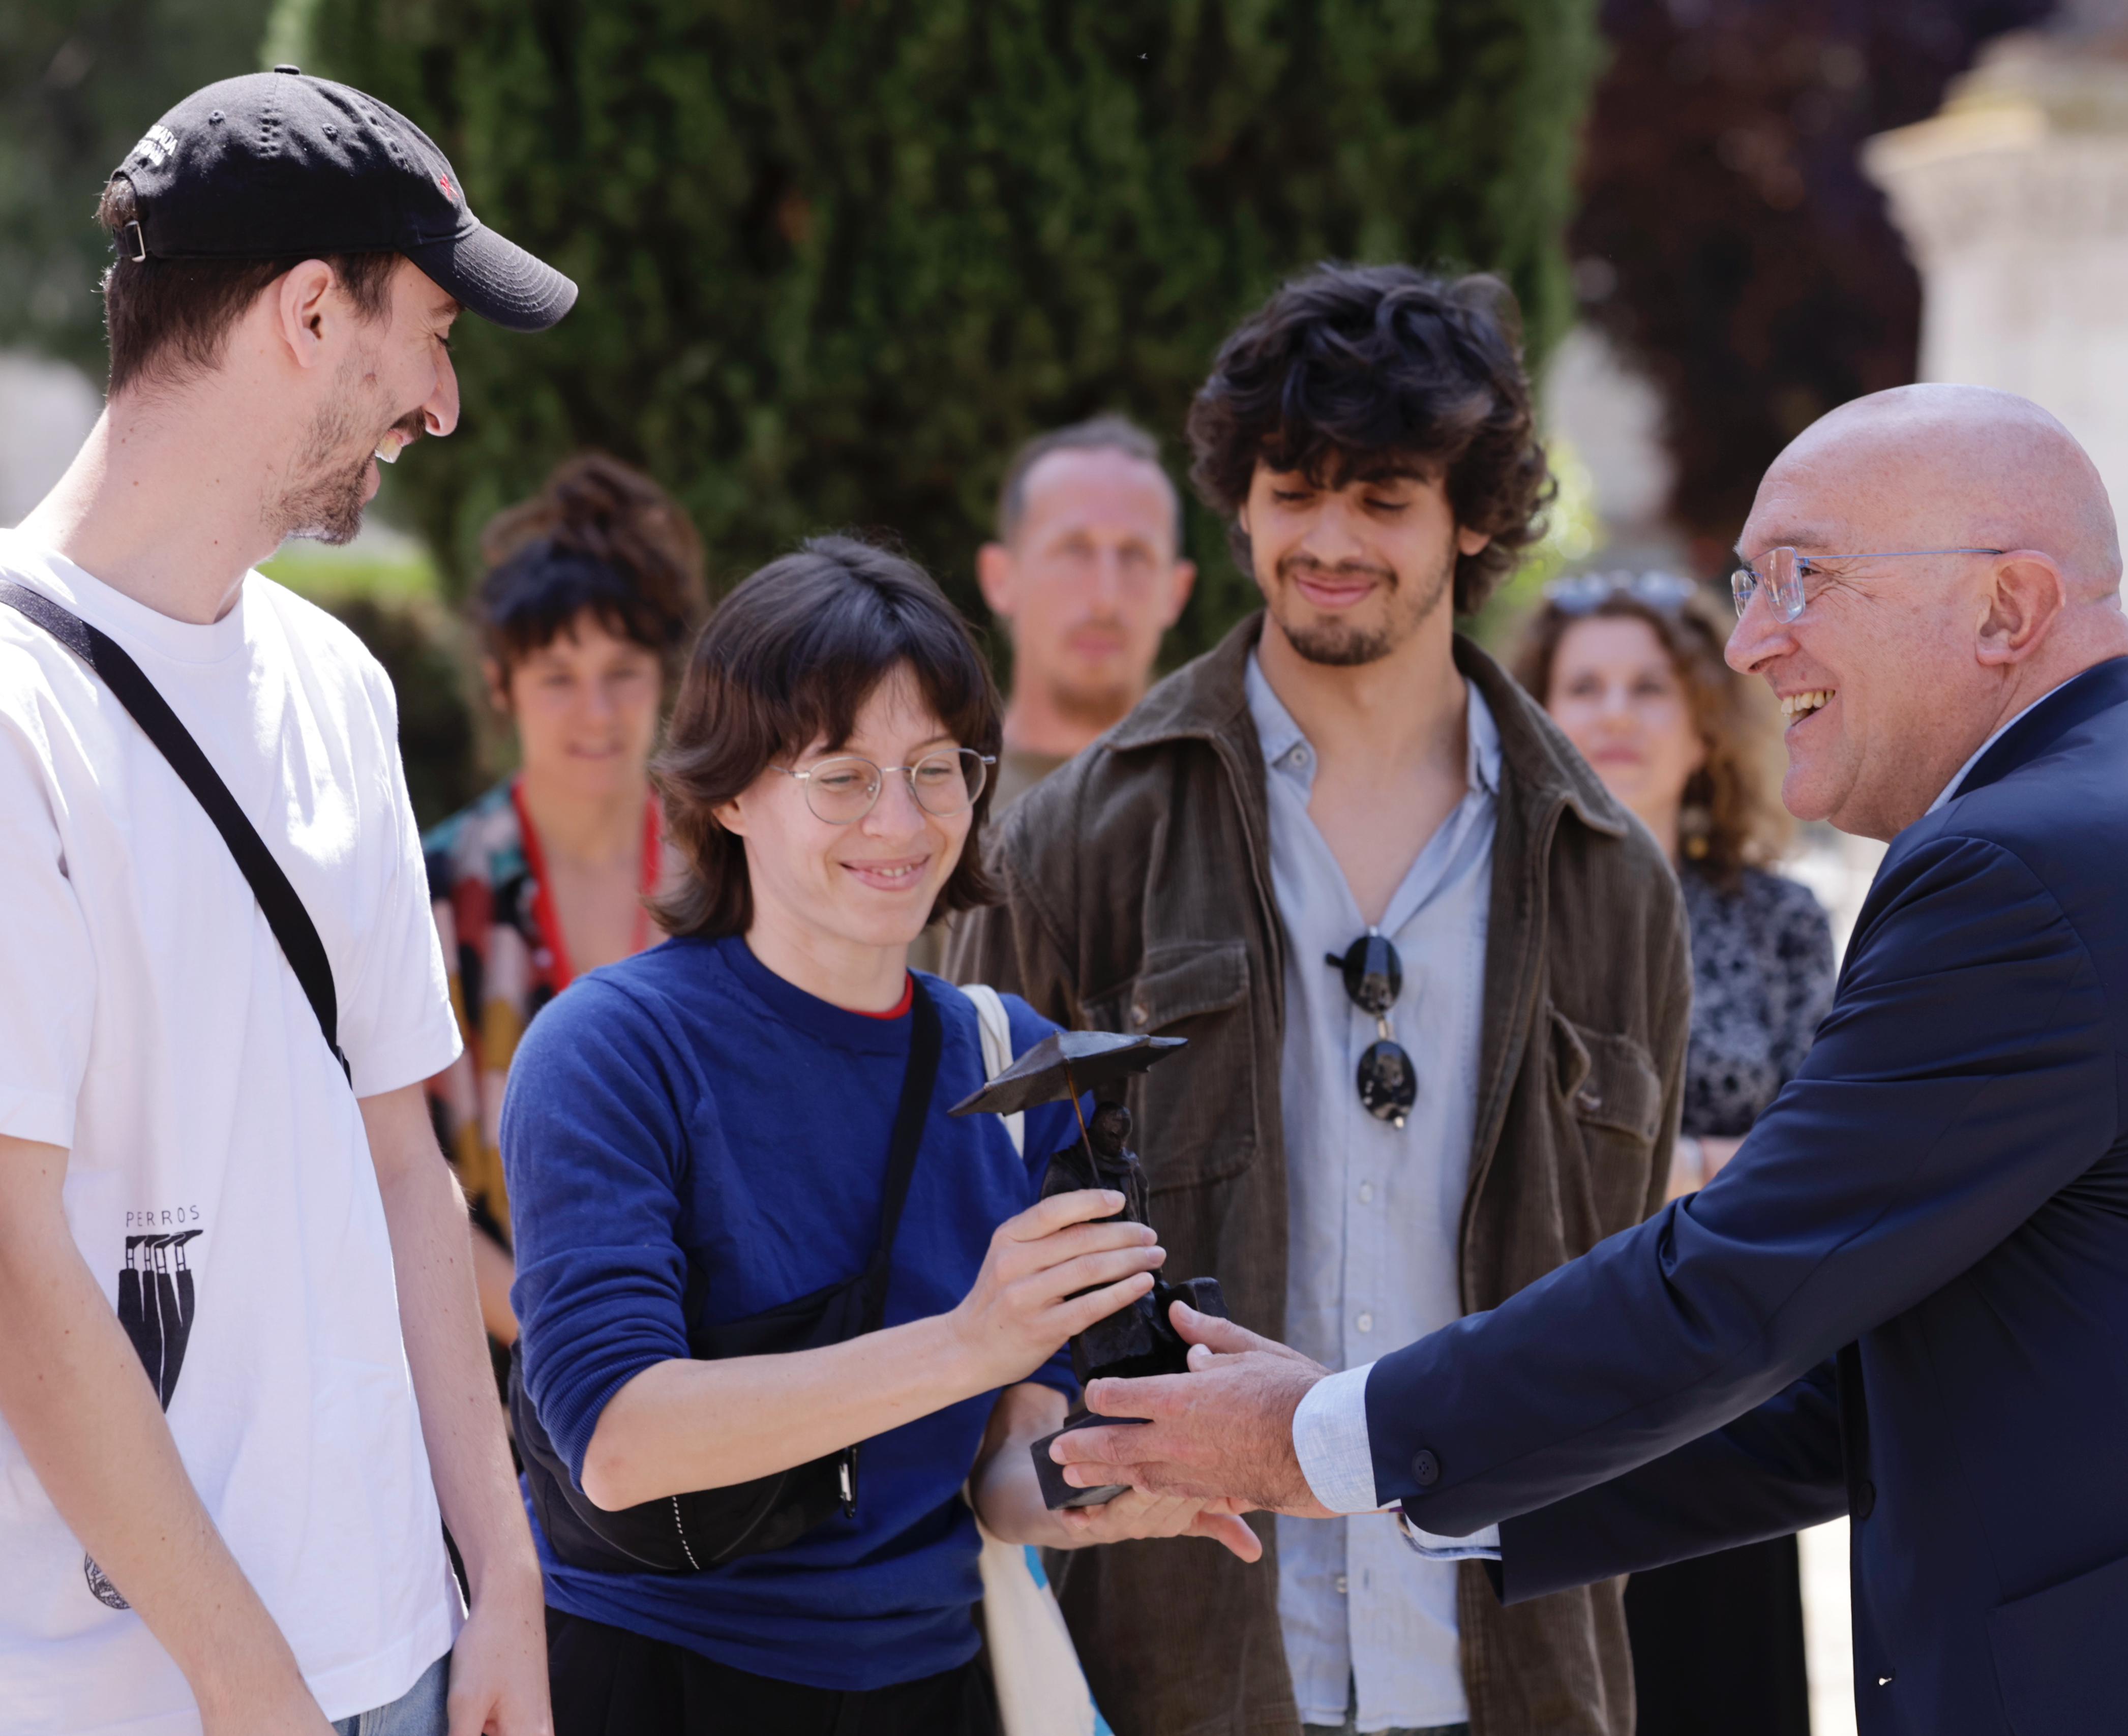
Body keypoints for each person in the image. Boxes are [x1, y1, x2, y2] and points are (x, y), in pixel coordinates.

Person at [1050, 384, 2128, 1736]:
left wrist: (1323, 1438)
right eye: (1746, 581)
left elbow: (1738, 1281)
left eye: (1801, 575)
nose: (1748, 639)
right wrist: (1401, 1486)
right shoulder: (2093, 823)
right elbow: (1855, 1390)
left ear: (2005, 609)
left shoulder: (2030, 863)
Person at [951, 264, 1689, 1736]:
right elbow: (971, 1245)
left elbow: (1632, 1311)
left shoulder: (1611, 878)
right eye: (1292, 492)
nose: (1329, 541)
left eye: (1384, 498)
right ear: (1240, 502)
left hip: (1514, 1668)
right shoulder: (1077, 842)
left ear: (1472, 518)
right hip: (1176, 1661)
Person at [0, 68, 571, 1736]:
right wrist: (256, 1691)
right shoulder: (17, 716)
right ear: (311, 313)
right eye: (433, 335)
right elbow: (15, 1265)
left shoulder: (337, 686)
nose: (444, 404)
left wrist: (503, 1573)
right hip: (131, 1693)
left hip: (402, 1650)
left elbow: (404, 1163)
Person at [502, 535, 1258, 1734]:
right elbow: (618, 1439)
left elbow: (1003, 1467)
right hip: (657, 1681)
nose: (899, 820)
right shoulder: (610, 1049)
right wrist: (967, 1341)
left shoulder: (1017, 1061)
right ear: (728, 794)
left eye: (934, 768)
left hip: (933, 1683)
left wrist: (1107, 1485)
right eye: (842, 775)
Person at [1509, 571, 1832, 1736]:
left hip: (1723, 1385)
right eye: (1583, 685)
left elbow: (1819, 1169)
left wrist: (1633, 1173)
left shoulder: (1779, 919)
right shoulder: (1488, 918)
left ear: (1705, 722)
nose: (1614, 712)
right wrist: (1705, 1168)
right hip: (1535, 1379)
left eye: (1648, 686)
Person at [423, 453, 707, 1360]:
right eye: (556, 675)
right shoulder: (434, 891)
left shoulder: (736, 874)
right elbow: (404, 1177)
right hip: (508, 1370)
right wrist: (585, 1353)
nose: (596, 711)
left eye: (623, 670)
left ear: (665, 677)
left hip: (735, 1364)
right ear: (500, 684)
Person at [976, 414, 1196, 811]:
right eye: (1074, 551)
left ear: (1177, 592)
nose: (1105, 599)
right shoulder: (936, 808)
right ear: (1000, 578)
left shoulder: (1236, 802)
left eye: (1135, 555)